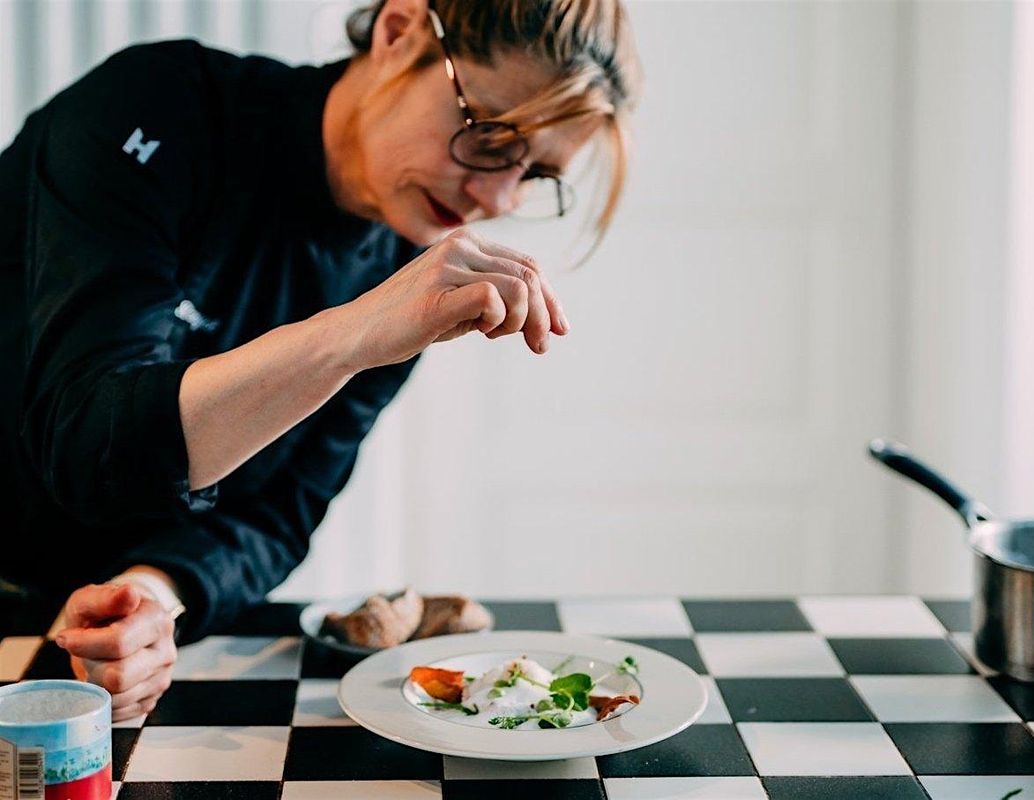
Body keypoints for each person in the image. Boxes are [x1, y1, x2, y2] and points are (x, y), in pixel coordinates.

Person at [0, 0, 640, 720]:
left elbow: (278, 512)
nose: (495, 195)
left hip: (86, 655)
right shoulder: (157, 110)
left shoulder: (408, 258)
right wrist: (351, 335)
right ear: (398, 33)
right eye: (488, 133)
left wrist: (153, 596)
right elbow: (88, 447)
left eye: (536, 173)